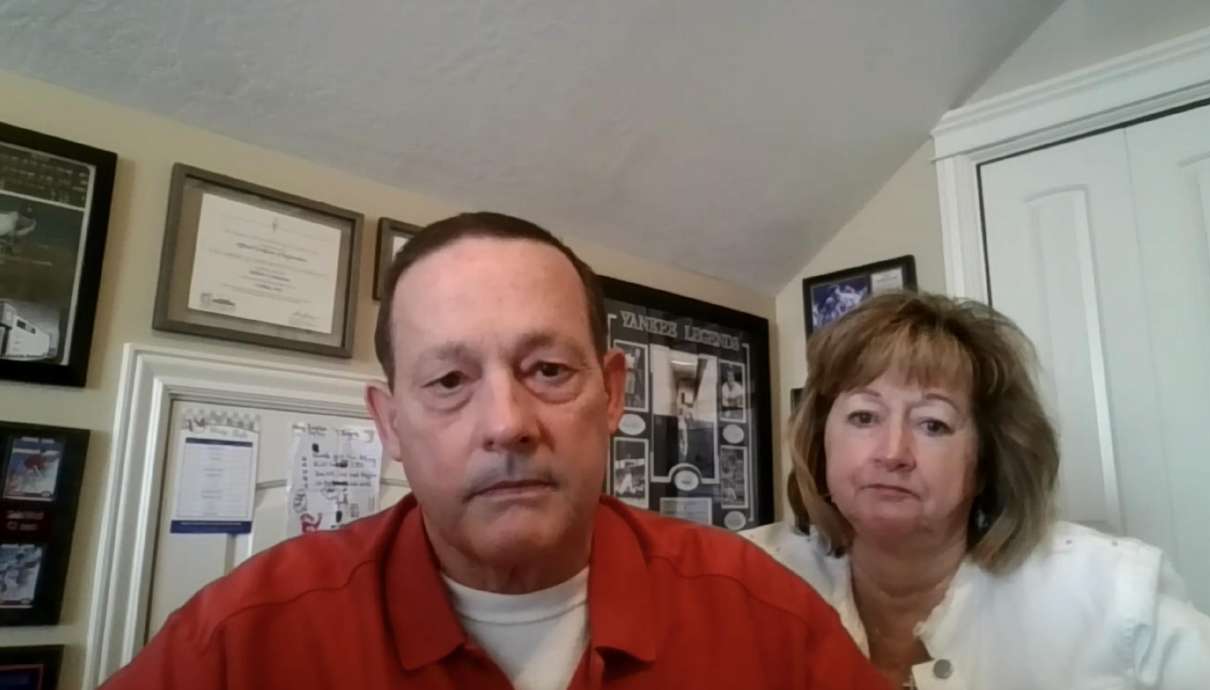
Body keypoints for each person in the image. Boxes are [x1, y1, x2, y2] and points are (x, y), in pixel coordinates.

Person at [103, 212, 889, 690]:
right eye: (448, 379)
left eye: (548, 370)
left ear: (612, 394)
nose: (507, 422)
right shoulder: (242, 640)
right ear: (390, 425)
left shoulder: (764, 617)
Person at [745, 291, 1210, 689]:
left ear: (984, 462)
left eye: (933, 424)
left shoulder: (1117, 594)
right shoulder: (743, 574)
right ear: (820, 442)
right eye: (864, 417)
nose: (892, 452)